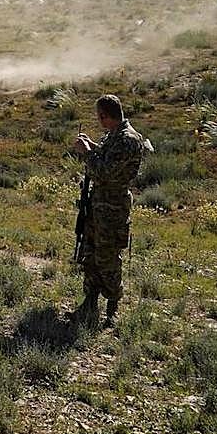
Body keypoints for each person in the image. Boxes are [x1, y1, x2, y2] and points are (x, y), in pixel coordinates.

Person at [72, 94, 148, 327]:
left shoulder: (127, 139)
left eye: (99, 116)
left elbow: (104, 172)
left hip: (112, 208)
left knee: (108, 257)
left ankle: (112, 307)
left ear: (106, 116)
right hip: (98, 204)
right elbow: (107, 158)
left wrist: (86, 152)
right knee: (91, 252)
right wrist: (92, 146)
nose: (99, 120)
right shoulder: (114, 135)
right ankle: (90, 301)